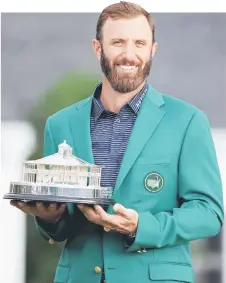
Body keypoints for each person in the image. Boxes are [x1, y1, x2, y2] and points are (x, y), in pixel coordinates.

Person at [10, 2, 224, 283]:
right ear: (98, 48)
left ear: (152, 50)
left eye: (139, 43)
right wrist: (49, 218)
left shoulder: (187, 121)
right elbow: (61, 227)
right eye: (118, 42)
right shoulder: (60, 124)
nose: (129, 54)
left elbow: (209, 213)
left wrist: (141, 226)